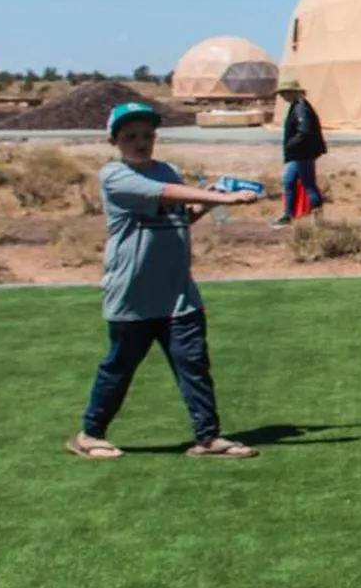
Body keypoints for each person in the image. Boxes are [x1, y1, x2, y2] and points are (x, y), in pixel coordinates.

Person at [66, 102, 263, 460]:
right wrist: (225, 197)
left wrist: (209, 201)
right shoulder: (114, 175)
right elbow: (166, 195)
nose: (141, 143)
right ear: (114, 141)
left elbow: (178, 217)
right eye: (131, 137)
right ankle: (90, 434)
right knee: (119, 367)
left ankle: (208, 437)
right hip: (133, 294)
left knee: (194, 365)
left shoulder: (167, 170)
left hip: (177, 293)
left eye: (147, 135)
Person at [274, 78, 327, 227]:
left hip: (303, 154)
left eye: (285, 93)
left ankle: (318, 219)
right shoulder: (297, 106)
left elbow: (304, 130)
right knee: (289, 181)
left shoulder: (300, 108)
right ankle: (288, 215)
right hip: (299, 154)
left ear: (293, 92)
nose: (283, 96)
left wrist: (291, 144)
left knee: (309, 184)